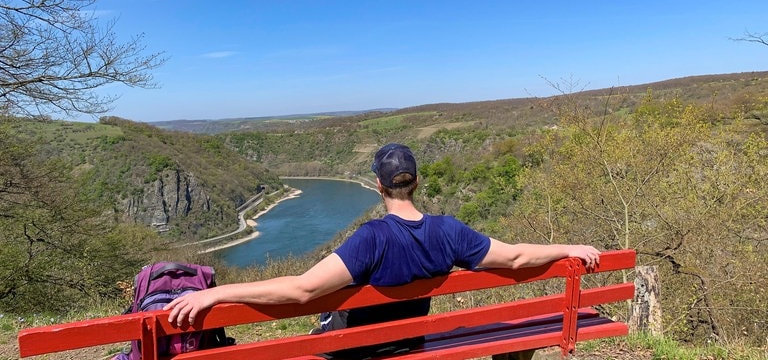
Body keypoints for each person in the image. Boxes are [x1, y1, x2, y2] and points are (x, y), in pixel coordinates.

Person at [165, 143, 601, 355]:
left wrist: (214, 293)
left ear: (378, 185)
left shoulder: (372, 238)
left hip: (359, 351)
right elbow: (517, 257)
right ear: (416, 181)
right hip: (410, 344)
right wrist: (570, 246)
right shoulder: (449, 231)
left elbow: (301, 291)